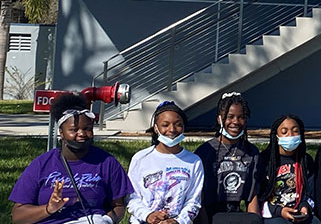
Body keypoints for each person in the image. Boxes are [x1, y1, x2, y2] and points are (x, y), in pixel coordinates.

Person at [9, 92, 133, 224]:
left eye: (87, 128)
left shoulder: (107, 162)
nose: (81, 134)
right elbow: (18, 216)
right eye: (74, 129)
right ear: (61, 133)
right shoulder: (41, 164)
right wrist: (48, 209)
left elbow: (118, 206)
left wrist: (106, 220)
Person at [127, 101, 205, 224]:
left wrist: (178, 221)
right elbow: (131, 197)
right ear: (156, 128)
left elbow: (194, 200)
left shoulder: (194, 162)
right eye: (165, 125)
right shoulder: (140, 158)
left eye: (178, 124)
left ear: (184, 127)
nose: (172, 129)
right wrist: (148, 215)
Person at [195, 92, 263, 224]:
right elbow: (199, 196)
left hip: (236, 214)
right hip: (210, 214)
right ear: (219, 119)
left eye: (241, 117)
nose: (236, 122)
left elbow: (252, 194)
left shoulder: (251, 152)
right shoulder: (205, 151)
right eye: (230, 117)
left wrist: (255, 220)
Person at [260, 114, 315, 224]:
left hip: (298, 210)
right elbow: (259, 196)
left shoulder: (305, 160)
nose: (290, 135)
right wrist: (280, 211)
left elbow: (311, 192)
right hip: (273, 213)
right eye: (284, 132)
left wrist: (305, 207)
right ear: (276, 136)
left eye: (295, 131)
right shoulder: (265, 160)